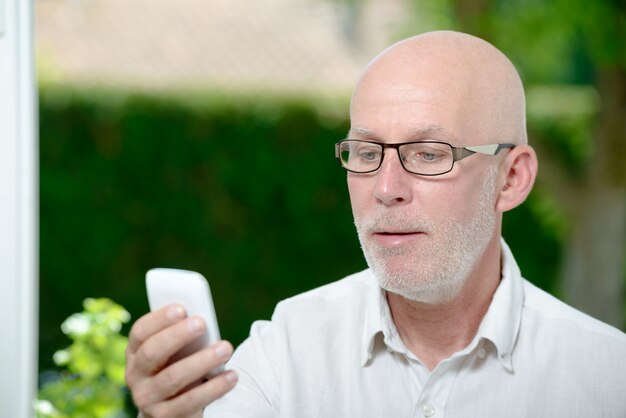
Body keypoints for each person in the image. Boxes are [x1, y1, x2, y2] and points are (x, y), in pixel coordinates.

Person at [125, 31, 626, 418]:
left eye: (429, 154)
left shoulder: (607, 378)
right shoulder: (285, 353)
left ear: (511, 178)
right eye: (366, 152)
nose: (386, 187)